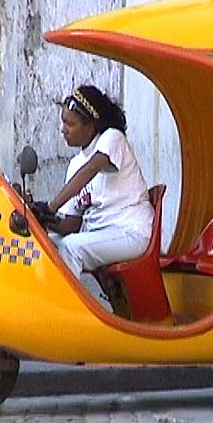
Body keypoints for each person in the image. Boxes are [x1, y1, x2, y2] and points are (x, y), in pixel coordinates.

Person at [41, 85, 153, 305]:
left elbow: (93, 168)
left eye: (70, 124)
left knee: (71, 248)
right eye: (63, 122)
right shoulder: (74, 165)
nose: (63, 130)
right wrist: (41, 217)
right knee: (45, 244)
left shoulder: (112, 139)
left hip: (132, 232)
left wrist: (51, 206)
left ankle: (65, 312)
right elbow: (70, 226)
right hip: (103, 236)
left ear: (90, 126)